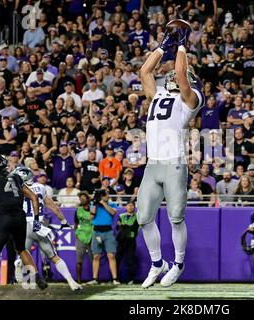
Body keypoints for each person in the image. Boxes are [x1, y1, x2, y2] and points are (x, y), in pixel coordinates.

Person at [136, 26, 205, 288]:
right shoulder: (159, 95)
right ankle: (157, 264)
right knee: (144, 217)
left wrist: (182, 46)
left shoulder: (191, 99)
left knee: (176, 216)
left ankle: (177, 263)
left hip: (174, 163)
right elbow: (144, 71)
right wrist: (164, 45)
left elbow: (180, 73)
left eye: (182, 75)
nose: (175, 77)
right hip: (153, 164)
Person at [0, 154, 48, 296]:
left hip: (5, 217)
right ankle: (38, 278)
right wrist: (37, 219)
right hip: (20, 217)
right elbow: (34, 197)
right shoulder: (16, 177)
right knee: (22, 250)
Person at [11, 167, 82, 291]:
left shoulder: (16, 190)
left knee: (23, 255)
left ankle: (18, 262)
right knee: (53, 256)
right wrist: (64, 221)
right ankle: (71, 281)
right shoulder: (41, 188)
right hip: (38, 226)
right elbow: (55, 208)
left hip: (24, 226)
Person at [88, 189, 119, 285]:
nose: (107, 196)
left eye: (105, 195)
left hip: (108, 232)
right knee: (96, 256)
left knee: (111, 255)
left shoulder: (112, 204)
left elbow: (113, 213)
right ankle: (95, 279)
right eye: (104, 195)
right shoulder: (94, 205)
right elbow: (91, 217)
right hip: (96, 231)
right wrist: (95, 203)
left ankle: (115, 279)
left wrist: (103, 203)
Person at [116, 201, 139, 284]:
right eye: (129, 205)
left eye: (132, 205)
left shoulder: (137, 216)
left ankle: (130, 279)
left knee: (130, 260)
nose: (130, 207)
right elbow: (118, 227)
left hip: (131, 240)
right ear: (125, 207)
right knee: (117, 259)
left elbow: (134, 227)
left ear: (134, 207)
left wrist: (123, 226)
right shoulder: (121, 216)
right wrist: (123, 226)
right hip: (121, 240)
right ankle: (116, 279)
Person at [74, 191, 93, 284]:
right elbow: (75, 223)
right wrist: (76, 233)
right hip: (81, 236)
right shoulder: (78, 210)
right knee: (79, 260)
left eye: (84, 197)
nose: (82, 199)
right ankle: (78, 280)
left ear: (88, 199)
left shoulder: (93, 209)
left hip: (92, 235)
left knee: (93, 258)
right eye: (80, 198)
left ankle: (95, 279)